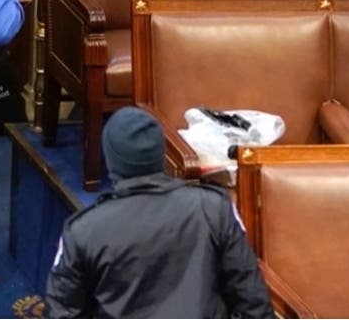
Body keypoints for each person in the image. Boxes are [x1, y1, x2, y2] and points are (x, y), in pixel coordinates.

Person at [45, 107, 273, 318]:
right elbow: (253, 303)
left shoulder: (83, 231)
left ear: (111, 160)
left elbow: (61, 312)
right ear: (161, 155)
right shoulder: (214, 208)